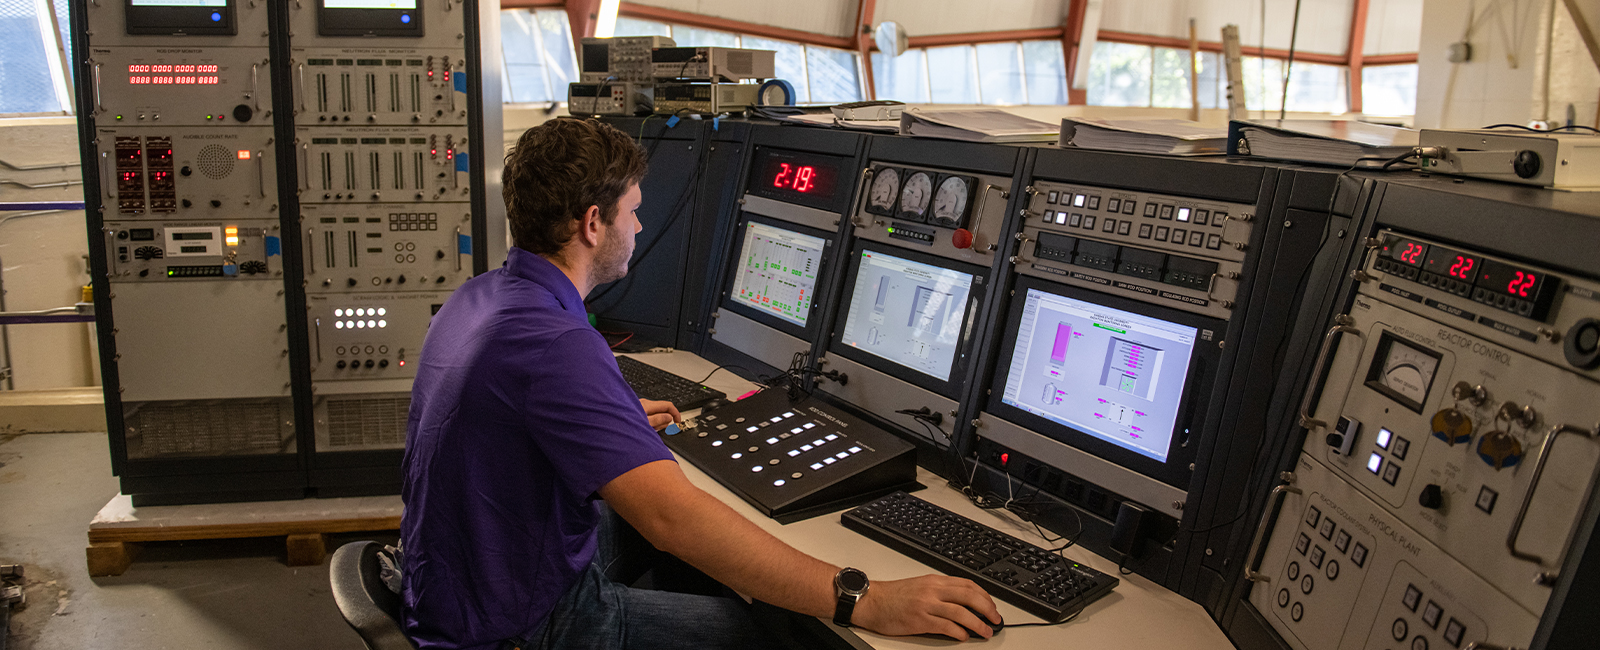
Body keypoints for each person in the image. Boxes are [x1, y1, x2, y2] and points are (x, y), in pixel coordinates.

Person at [400, 118, 999, 650]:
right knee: (787, 635)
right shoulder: (557, 345)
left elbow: (503, 415)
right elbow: (673, 520)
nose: (638, 225)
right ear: (591, 224)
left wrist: (606, 414)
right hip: (525, 627)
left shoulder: (480, 298)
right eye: (632, 211)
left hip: (456, 584)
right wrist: (862, 598)